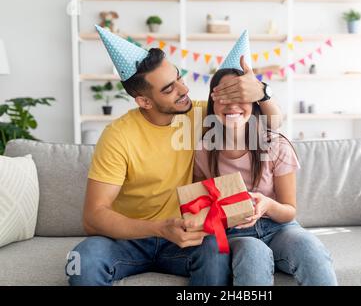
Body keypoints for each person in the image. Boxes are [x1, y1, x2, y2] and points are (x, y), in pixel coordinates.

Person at [65, 27, 282, 285]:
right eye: (169, 89)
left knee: (216, 248)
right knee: (82, 258)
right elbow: (93, 218)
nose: (184, 89)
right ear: (144, 101)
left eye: (179, 77)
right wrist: (158, 228)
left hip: (185, 238)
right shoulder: (118, 136)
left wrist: (261, 92)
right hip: (129, 240)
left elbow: (271, 123)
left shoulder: (198, 116)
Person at [194, 68, 338, 286]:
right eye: (223, 97)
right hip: (235, 234)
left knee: (308, 246)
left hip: (280, 228)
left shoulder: (276, 145)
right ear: (212, 105)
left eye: (240, 97)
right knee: (253, 251)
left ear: (254, 104)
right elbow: (199, 209)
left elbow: (289, 211)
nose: (232, 105)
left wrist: (268, 205)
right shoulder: (204, 150)